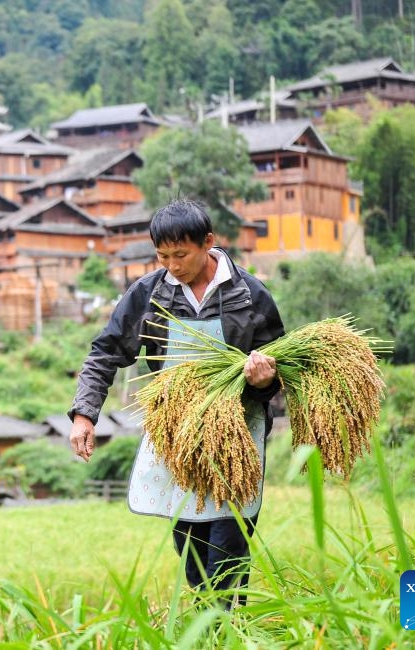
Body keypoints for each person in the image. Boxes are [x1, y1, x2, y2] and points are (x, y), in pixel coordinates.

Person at [68, 199, 284, 607]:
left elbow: (277, 366)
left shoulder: (249, 294)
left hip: (236, 435)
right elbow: (105, 352)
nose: (172, 264)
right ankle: (210, 629)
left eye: (181, 254)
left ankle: (226, 629)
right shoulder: (149, 295)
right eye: (163, 256)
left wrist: (264, 380)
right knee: (191, 550)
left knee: (227, 550)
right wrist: (84, 414)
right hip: (179, 438)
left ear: (208, 243)